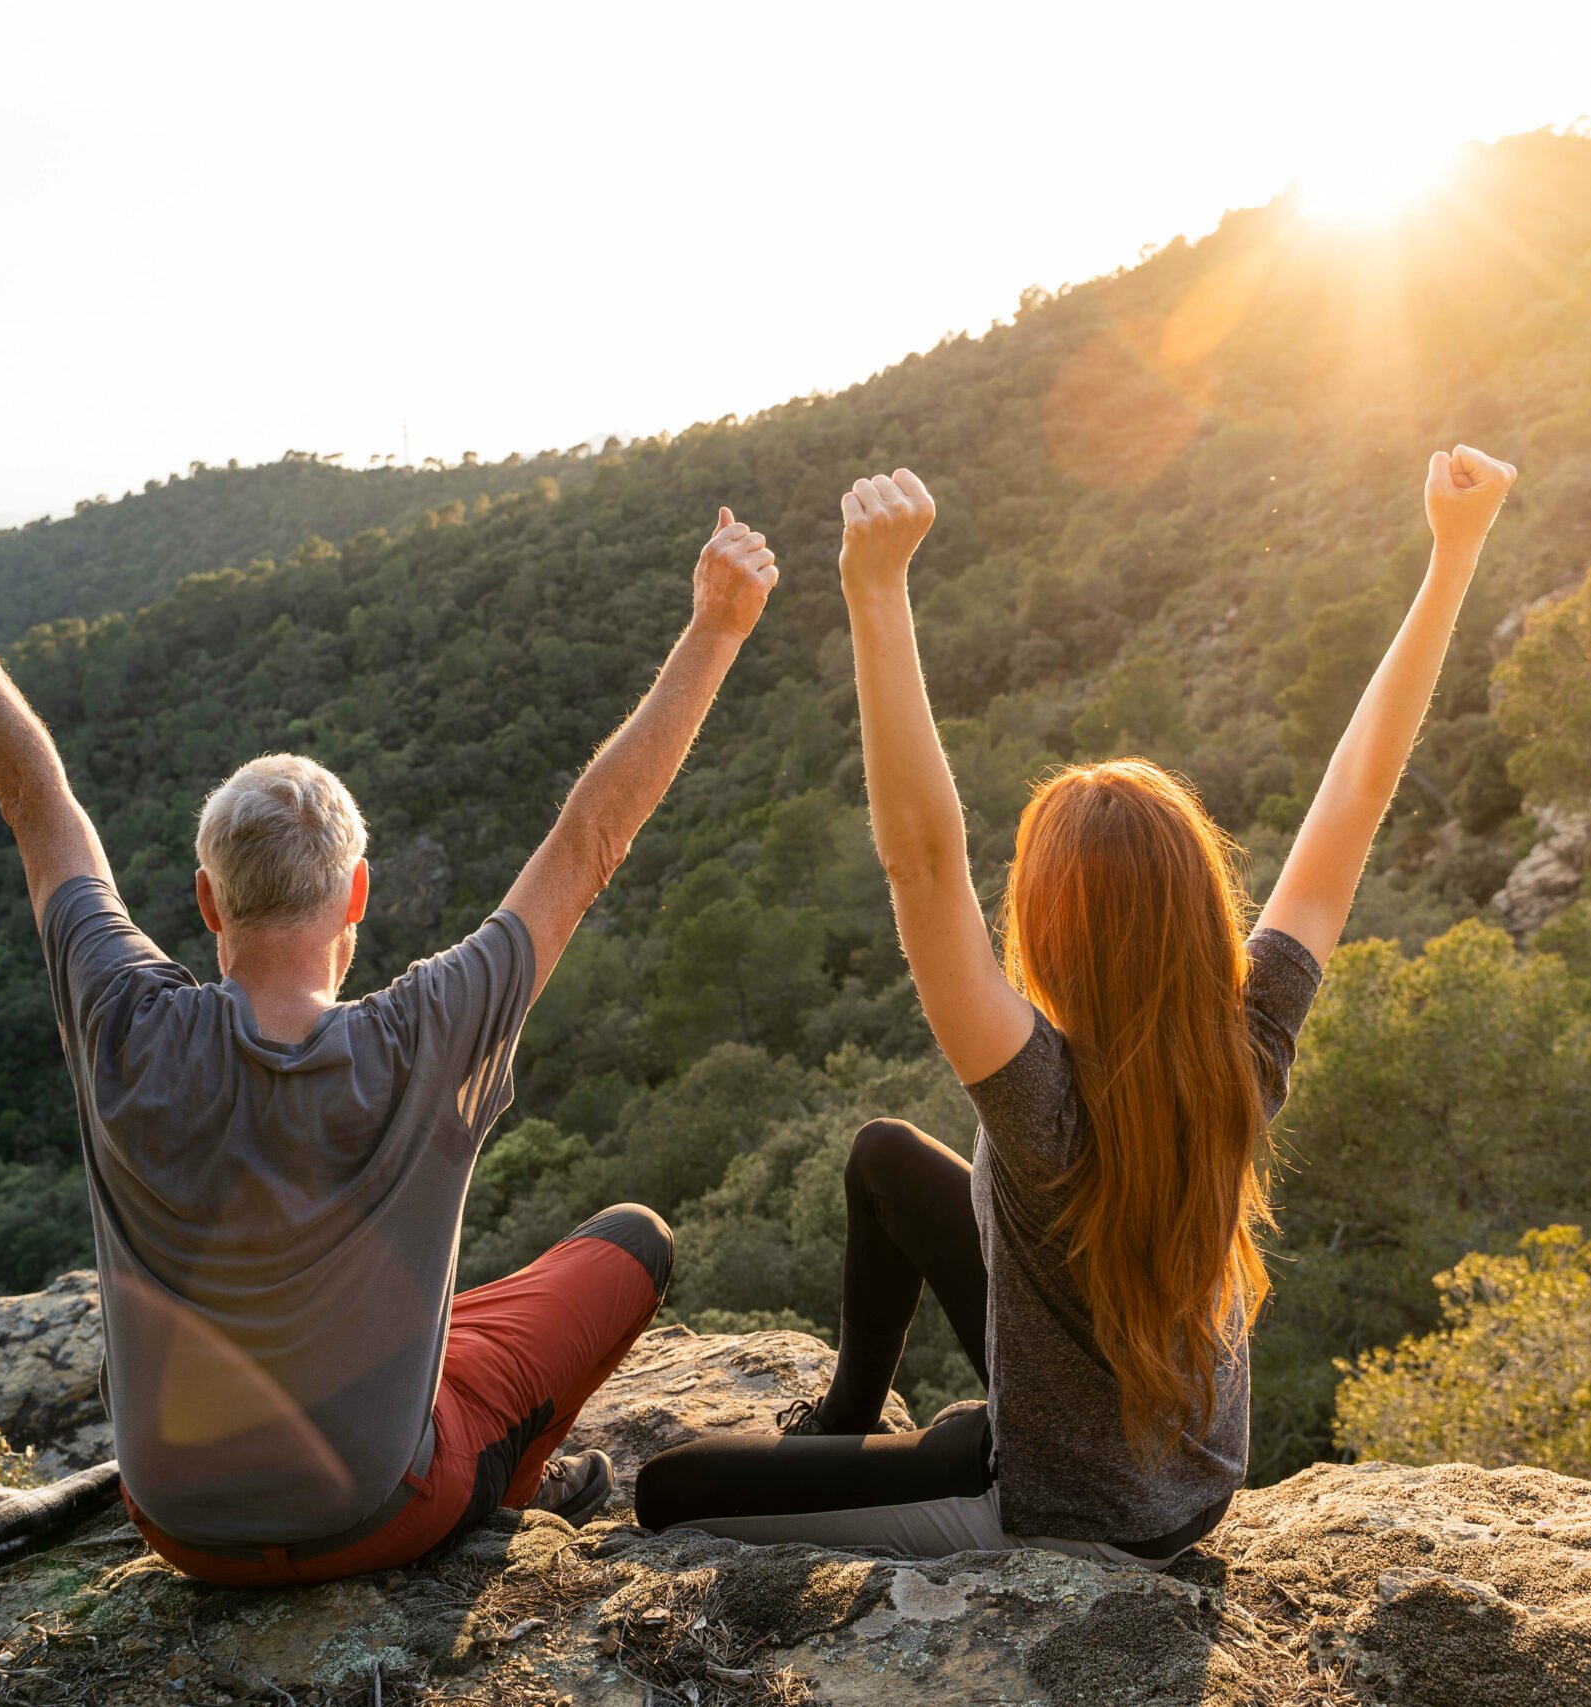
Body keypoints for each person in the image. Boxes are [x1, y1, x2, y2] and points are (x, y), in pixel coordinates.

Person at [634, 447, 1519, 1563]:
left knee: (666, 1492)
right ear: (1199, 905)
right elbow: (1355, 792)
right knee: (883, 1160)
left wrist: (877, 588)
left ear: (1050, 927)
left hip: (1059, 1505)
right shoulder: (1244, 1036)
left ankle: (903, 1460)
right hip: (1188, 1478)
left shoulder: (1038, 1096)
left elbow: (920, 862)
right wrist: (1453, 553)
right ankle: (848, 1421)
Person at [0, 491, 780, 1586]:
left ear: (208, 903)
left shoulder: (118, 1016)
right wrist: (717, 625)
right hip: (380, 1514)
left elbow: (37, 802)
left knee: (455, 1323)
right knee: (630, 1243)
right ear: (357, 894)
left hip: (174, 1523)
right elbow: (591, 838)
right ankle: (507, 1492)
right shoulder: (428, 1032)